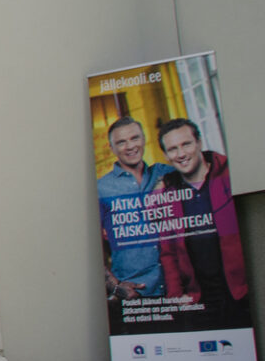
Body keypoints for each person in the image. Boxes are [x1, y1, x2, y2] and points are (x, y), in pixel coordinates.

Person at [154, 118, 250, 328]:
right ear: (165, 155)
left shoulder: (230, 174)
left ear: (199, 142)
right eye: (172, 149)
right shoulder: (168, 194)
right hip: (200, 302)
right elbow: (168, 252)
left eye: (186, 144)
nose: (180, 154)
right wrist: (175, 297)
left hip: (242, 293)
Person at [97, 117, 171, 302]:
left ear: (144, 139)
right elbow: (90, 248)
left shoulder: (165, 173)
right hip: (135, 293)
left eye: (135, 138)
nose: (130, 146)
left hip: (178, 289)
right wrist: (114, 286)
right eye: (121, 142)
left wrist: (163, 182)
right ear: (112, 148)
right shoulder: (100, 189)